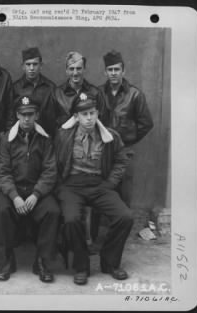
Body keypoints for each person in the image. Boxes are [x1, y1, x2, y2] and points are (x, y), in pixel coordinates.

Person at [54, 93, 134, 285]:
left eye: (92, 113)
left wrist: (110, 184)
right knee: (72, 220)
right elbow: (53, 162)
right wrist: (59, 188)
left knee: (125, 217)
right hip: (72, 186)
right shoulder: (63, 135)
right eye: (84, 114)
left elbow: (121, 161)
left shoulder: (110, 136)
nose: (89, 118)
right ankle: (81, 266)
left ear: (97, 113)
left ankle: (110, 262)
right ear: (76, 117)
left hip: (100, 185)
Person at [0, 96, 60, 283]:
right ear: (17, 115)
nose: (26, 119)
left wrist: (36, 194)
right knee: (1, 210)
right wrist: (14, 196)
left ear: (37, 115)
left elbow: (50, 171)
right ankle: (8, 259)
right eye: (23, 115)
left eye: (30, 114)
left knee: (52, 211)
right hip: (14, 190)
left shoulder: (45, 139)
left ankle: (41, 261)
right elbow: (3, 173)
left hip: (36, 190)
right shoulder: (6, 138)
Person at [98, 50, 154, 204]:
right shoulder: (99, 93)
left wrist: (128, 139)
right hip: (102, 152)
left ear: (124, 70)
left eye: (117, 69)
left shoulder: (135, 94)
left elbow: (146, 123)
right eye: (110, 70)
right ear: (105, 72)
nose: (114, 73)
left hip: (124, 152)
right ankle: (99, 228)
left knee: (124, 195)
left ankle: (123, 228)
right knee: (101, 194)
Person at [13, 47, 59, 136]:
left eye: (35, 64)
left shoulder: (50, 87)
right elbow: (11, 116)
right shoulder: (15, 88)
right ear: (23, 66)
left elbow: (57, 116)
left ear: (41, 65)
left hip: (46, 137)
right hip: (22, 137)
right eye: (28, 64)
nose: (31, 68)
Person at [55, 51, 105, 127]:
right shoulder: (56, 93)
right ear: (66, 70)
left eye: (78, 68)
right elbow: (50, 123)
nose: (75, 73)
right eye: (71, 69)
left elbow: (102, 122)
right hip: (64, 137)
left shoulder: (95, 93)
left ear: (84, 69)